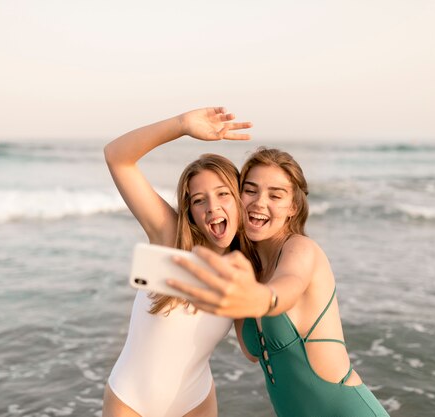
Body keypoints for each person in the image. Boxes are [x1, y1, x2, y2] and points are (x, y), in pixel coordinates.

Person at [168, 147, 390, 417]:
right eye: (250, 191)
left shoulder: (302, 250)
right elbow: (252, 353)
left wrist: (264, 299)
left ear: (293, 207)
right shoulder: (250, 268)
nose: (260, 202)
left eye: (275, 195)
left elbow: (289, 283)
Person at [102, 107, 257, 417]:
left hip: (196, 403)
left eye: (223, 194)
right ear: (190, 211)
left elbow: (252, 352)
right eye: (199, 200)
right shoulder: (170, 237)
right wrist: (181, 125)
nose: (212, 207)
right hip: (131, 402)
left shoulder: (245, 270)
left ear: (239, 201)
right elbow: (116, 156)